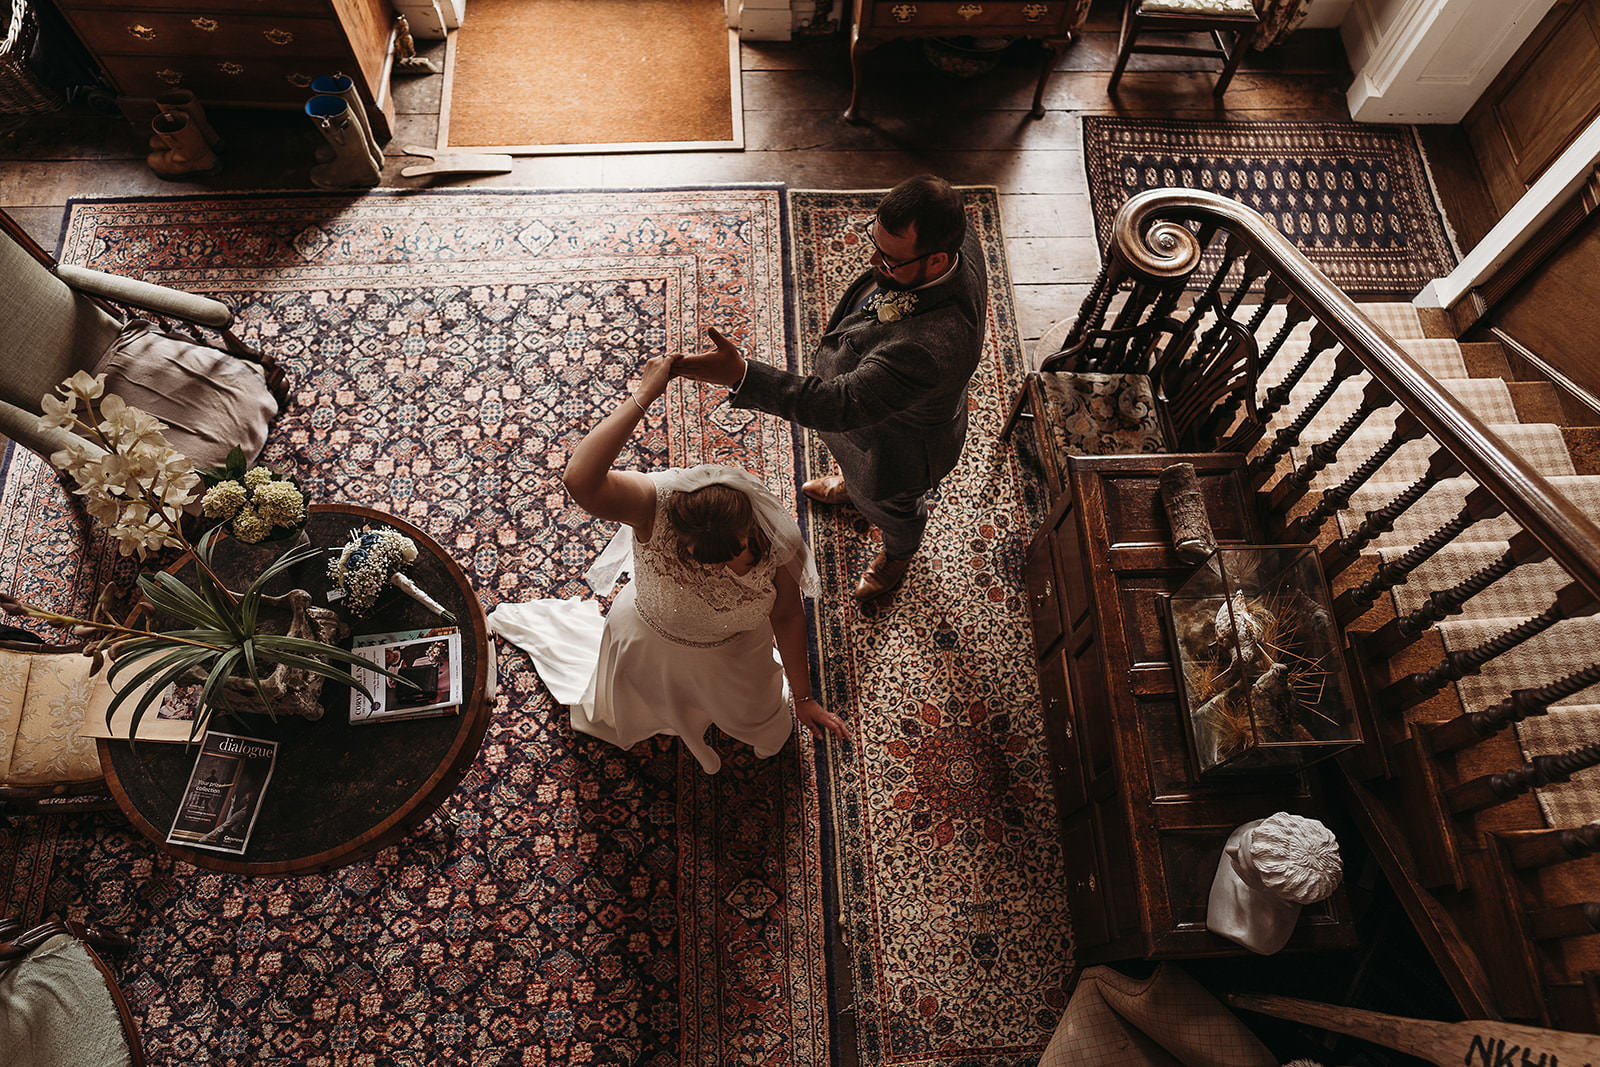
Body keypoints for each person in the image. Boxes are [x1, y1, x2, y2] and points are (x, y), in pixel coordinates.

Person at [488, 353, 849, 774]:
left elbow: (787, 615)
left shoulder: (776, 545)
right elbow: (579, 480)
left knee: (766, 725)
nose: (716, 570)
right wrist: (645, 394)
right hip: (646, 645)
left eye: (729, 556)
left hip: (735, 660)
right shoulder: (654, 505)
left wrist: (804, 697)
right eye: (701, 558)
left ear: (750, 530)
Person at [674, 174, 988, 601]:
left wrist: (740, 374)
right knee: (856, 472)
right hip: (875, 416)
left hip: (894, 453)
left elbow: (837, 404)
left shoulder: (929, 349)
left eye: (890, 260)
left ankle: (899, 552)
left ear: (936, 261)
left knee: (891, 509)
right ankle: (850, 484)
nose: (875, 264)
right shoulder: (953, 236)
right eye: (875, 246)